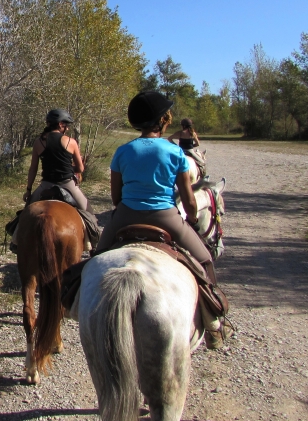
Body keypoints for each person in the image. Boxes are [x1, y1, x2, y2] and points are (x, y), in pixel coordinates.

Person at [95, 91, 230, 348]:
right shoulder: (174, 153)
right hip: (166, 217)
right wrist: (190, 215)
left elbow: (116, 198)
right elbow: (190, 204)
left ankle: (76, 301)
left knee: (96, 256)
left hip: (125, 216)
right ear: (162, 120)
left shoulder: (123, 151)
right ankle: (214, 324)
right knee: (204, 259)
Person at [7, 109, 100, 252]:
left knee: (26, 213)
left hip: (46, 185)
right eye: (66, 125)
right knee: (89, 213)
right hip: (67, 184)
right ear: (60, 124)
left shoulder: (39, 142)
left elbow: (33, 169)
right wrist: (68, 168)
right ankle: (93, 245)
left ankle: (16, 241)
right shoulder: (71, 142)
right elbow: (80, 169)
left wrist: (29, 190)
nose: (67, 128)